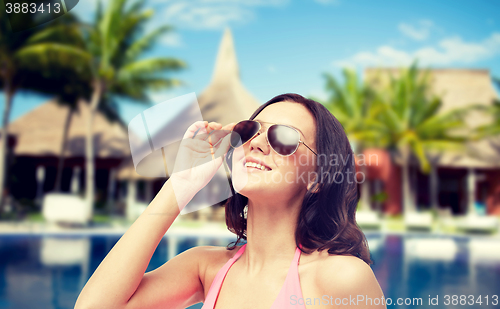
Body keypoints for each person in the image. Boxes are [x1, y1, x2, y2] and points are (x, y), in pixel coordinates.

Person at [75, 93, 386, 309]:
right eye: (248, 131)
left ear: (317, 177)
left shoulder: (341, 278)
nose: (257, 144)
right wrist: (181, 184)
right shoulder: (205, 268)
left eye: (284, 138)